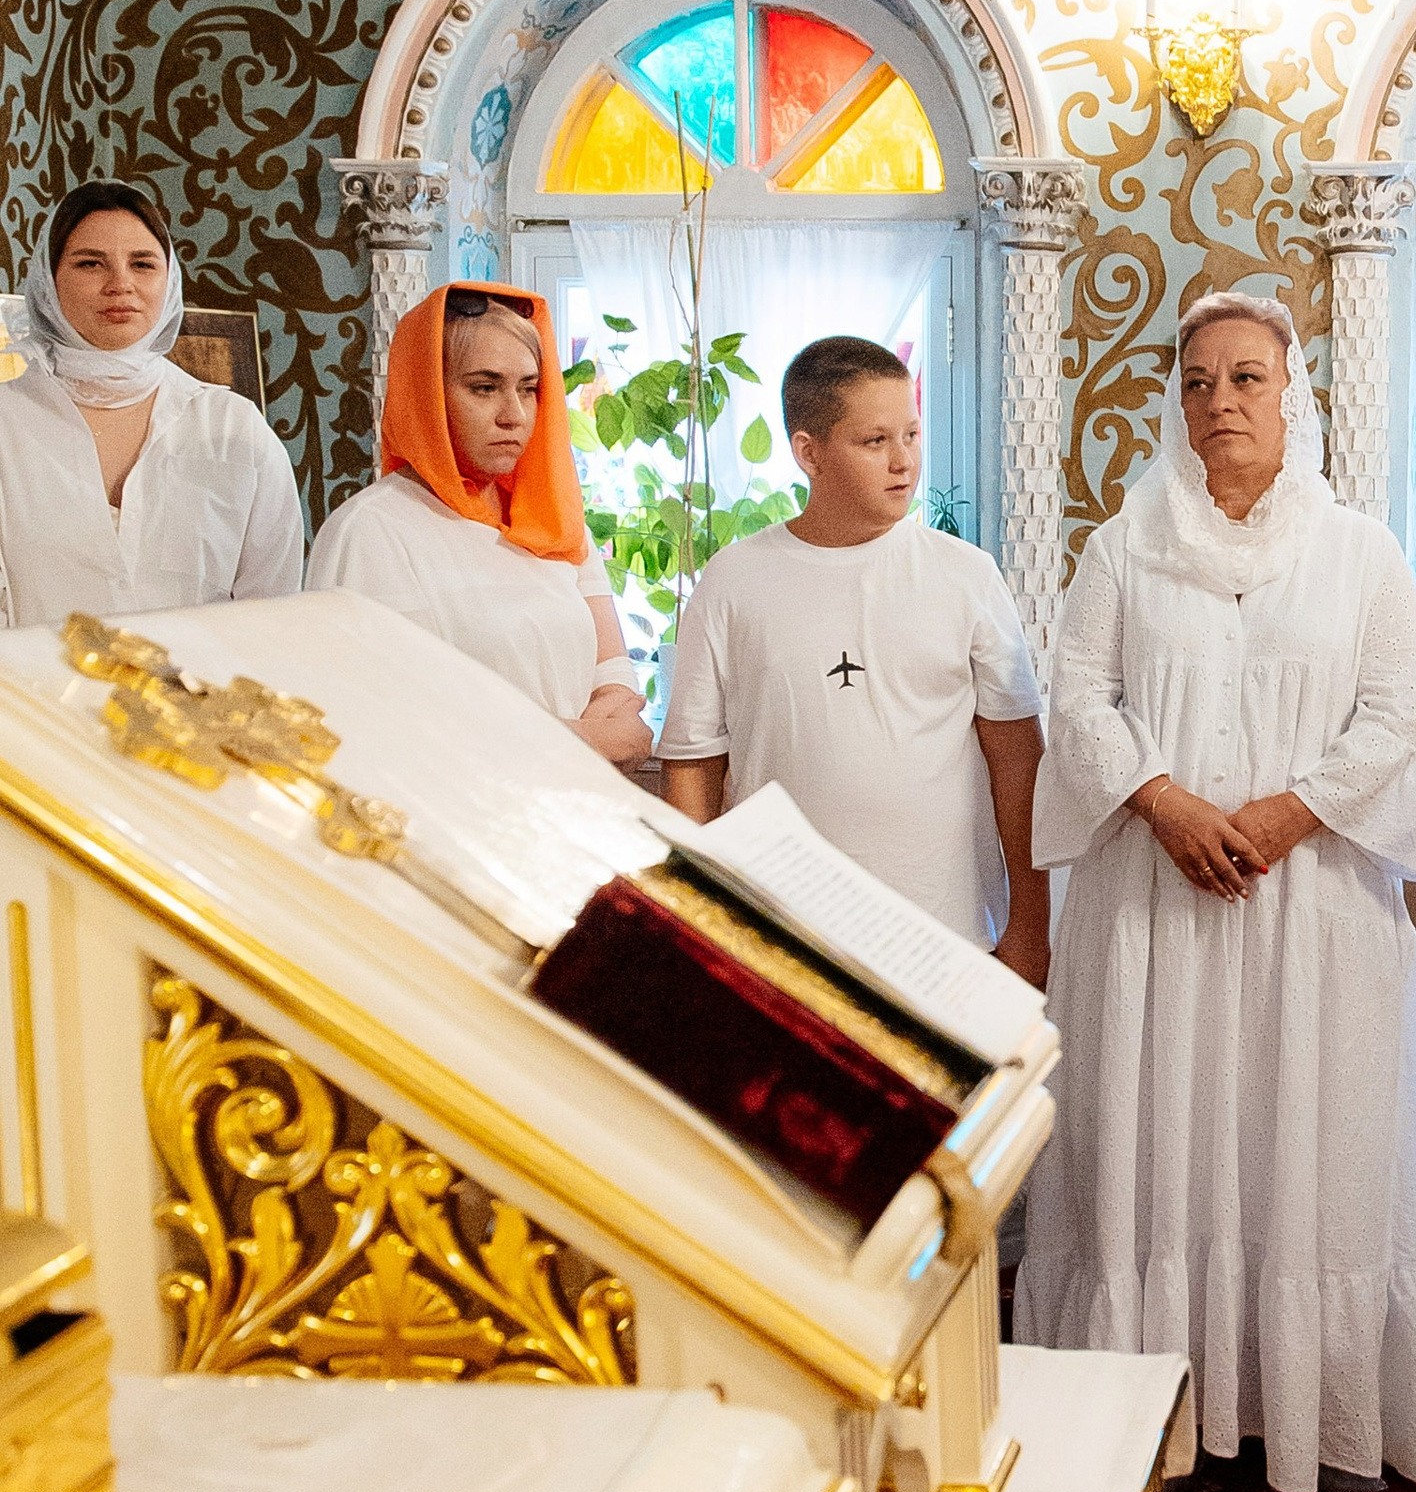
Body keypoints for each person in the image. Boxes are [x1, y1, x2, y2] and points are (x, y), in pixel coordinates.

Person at [1015, 293, 1416, 1492]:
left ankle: (1305, 1414)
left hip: (1312, 910)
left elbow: (1396, 718)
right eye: (1198, 381)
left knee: (1306, 1146)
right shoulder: (1122, 547)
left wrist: (1288, 812)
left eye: (1247, 378)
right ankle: (1146, 1414)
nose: (1221, 403)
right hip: (1154, 908)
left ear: (1292, 395)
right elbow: (1078, 700)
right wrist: (1164, 803)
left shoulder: (1361, 554)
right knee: (1155, 1144)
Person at [659, 335, 1047, 979]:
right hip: (779, 933)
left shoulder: (966, 575)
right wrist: (690, 924)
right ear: (808, 452)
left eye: (912, 435)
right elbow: (693, 767)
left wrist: (1030, 926)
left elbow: (1018, 760)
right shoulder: (733, 581)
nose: (904, 461)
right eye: (875, 441)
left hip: (944, 932)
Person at [308, 284, 649, 763]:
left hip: (574, 803)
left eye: (528, 389)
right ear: (426, 396)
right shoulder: (371, 531)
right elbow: (382, 723)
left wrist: (599, 721)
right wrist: (587, 742)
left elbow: (613, 676)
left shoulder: (550, 518)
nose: (514, 415)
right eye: (484, 388)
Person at [0, 180, 303, 626]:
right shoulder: (7, 424)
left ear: (169, 279)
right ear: (49, 279)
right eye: (90, 263)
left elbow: (273, 614)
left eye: (142, 264)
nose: (120, 284)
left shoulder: (233, 428)